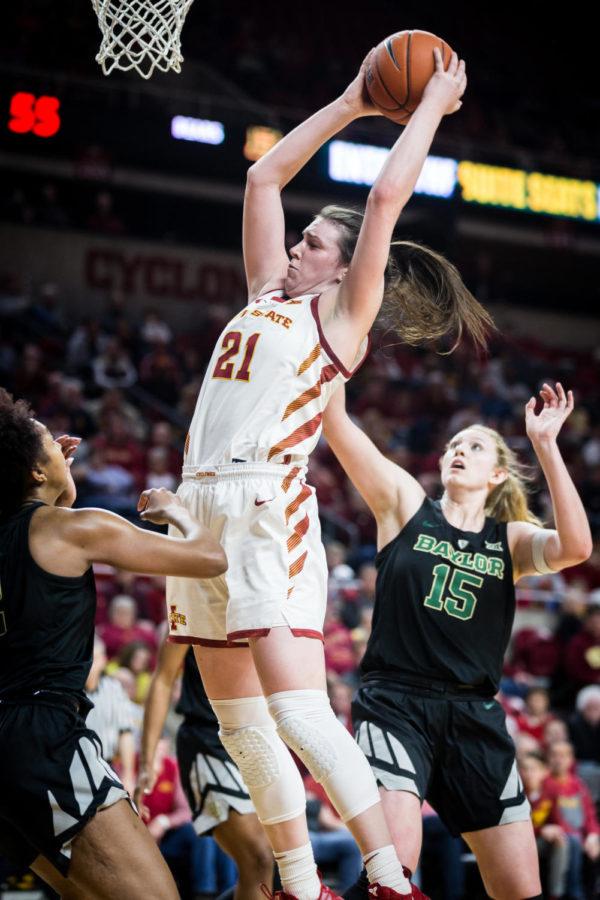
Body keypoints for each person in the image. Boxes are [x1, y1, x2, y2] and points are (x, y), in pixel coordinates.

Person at [167, 43, 483, 900]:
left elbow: (385, 198)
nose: (297, 247)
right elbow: (263, 179)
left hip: (267, 503)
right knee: (237, 724)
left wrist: (427, 109)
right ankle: (300, 887)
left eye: (313, 244)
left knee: (300, 711)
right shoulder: (265, 295)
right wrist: (349, 99)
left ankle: (388, 874)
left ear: (344, 268)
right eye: (300, 242)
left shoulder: (341, 318)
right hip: (200, 508)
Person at [321, 380, 592, 900]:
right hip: (396, 703)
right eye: (451, 445)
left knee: (521, 889)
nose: (457, 451)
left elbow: (576, 548)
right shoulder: (405, 505)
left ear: (495, 474)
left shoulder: (507, 538)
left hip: (473, 714)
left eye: (473, 445)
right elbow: (338, 424)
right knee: (392, 880)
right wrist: (335, 356)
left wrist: (547, 446)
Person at [0, 389, 227, 899]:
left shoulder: (19, 532)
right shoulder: (72, 530)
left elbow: (33, 516)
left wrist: (50, 472)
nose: (65, 448)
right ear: (33, 471)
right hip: (45, 737)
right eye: (53, 446)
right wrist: (176, 510)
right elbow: (209, 557)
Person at [137, 638, 274, 899]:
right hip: (208, 739)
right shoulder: (193, 600)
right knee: (258, 858)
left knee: (267, 865)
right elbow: (164, 678)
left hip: (257, 741)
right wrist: (147, 762)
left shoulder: (276, 600)